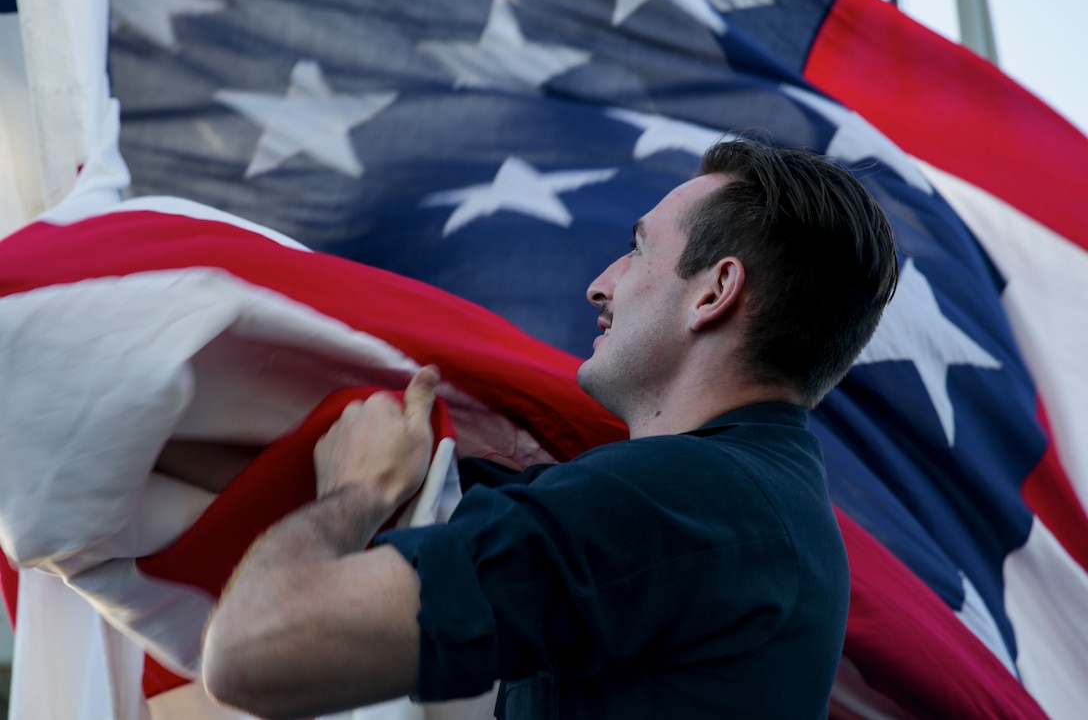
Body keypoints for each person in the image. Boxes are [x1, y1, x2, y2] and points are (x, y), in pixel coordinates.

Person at [201, 137, 898, 719]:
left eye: (637, 249)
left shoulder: (679, 499)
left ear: (713, 293)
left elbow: (252, 650)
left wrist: (354, 490)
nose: (601, 284)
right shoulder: (752, 504)